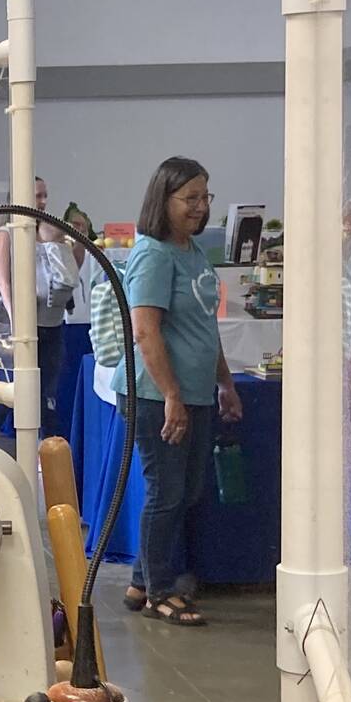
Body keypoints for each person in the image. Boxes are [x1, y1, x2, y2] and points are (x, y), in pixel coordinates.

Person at [122, 156, 242, 625]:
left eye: (204, 197)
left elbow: (203, 327)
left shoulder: (192, 252)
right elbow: (146, 332)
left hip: (193, 392)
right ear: (164, 199)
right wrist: (171, 394)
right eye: (189, 198)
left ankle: (140, 580)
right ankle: (158, 591)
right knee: (166, 492)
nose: (199, 207)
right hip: (157, 396)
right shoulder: (152, 254)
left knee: (187, 490)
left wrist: (225, 382)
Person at [0, 175, 84, 433]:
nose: (42, 202)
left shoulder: (51, 235)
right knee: (9, 391)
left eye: (44, 195)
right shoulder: (5, 236)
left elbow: (69, 274)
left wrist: (76, 242)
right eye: (36, 196)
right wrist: (17, 322)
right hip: (20, 327)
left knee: (46, 395)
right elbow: (3, 282)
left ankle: (45, 460)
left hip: (52, 324)